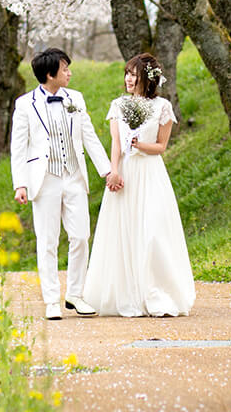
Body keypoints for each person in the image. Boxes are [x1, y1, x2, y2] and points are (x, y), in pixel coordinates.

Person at [83, 53, 195, 317]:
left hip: (150, 173)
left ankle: (156, 292)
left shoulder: (162, 107)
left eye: (133, 74)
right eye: (126, 74)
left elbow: (161, 146)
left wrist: (140, 144)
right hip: (125, 174)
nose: (128, 79)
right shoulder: (118, 105)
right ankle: (127, 294)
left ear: (147, 77)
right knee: (124, 229)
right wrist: (114, 172)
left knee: (153, 230)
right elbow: (115, 144)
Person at [11, 47, 116, 320]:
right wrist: (20, 184)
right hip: (44, 180)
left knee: (81, 236)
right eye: (65, 69)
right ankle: (50, 301)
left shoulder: (76, 98)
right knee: (47, 241)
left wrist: (106, 170)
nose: (69, 73)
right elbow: (18, 147)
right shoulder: (25, 104)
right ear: (49, 74)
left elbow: (89, 136)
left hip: (73, 176)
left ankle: (76, 294)